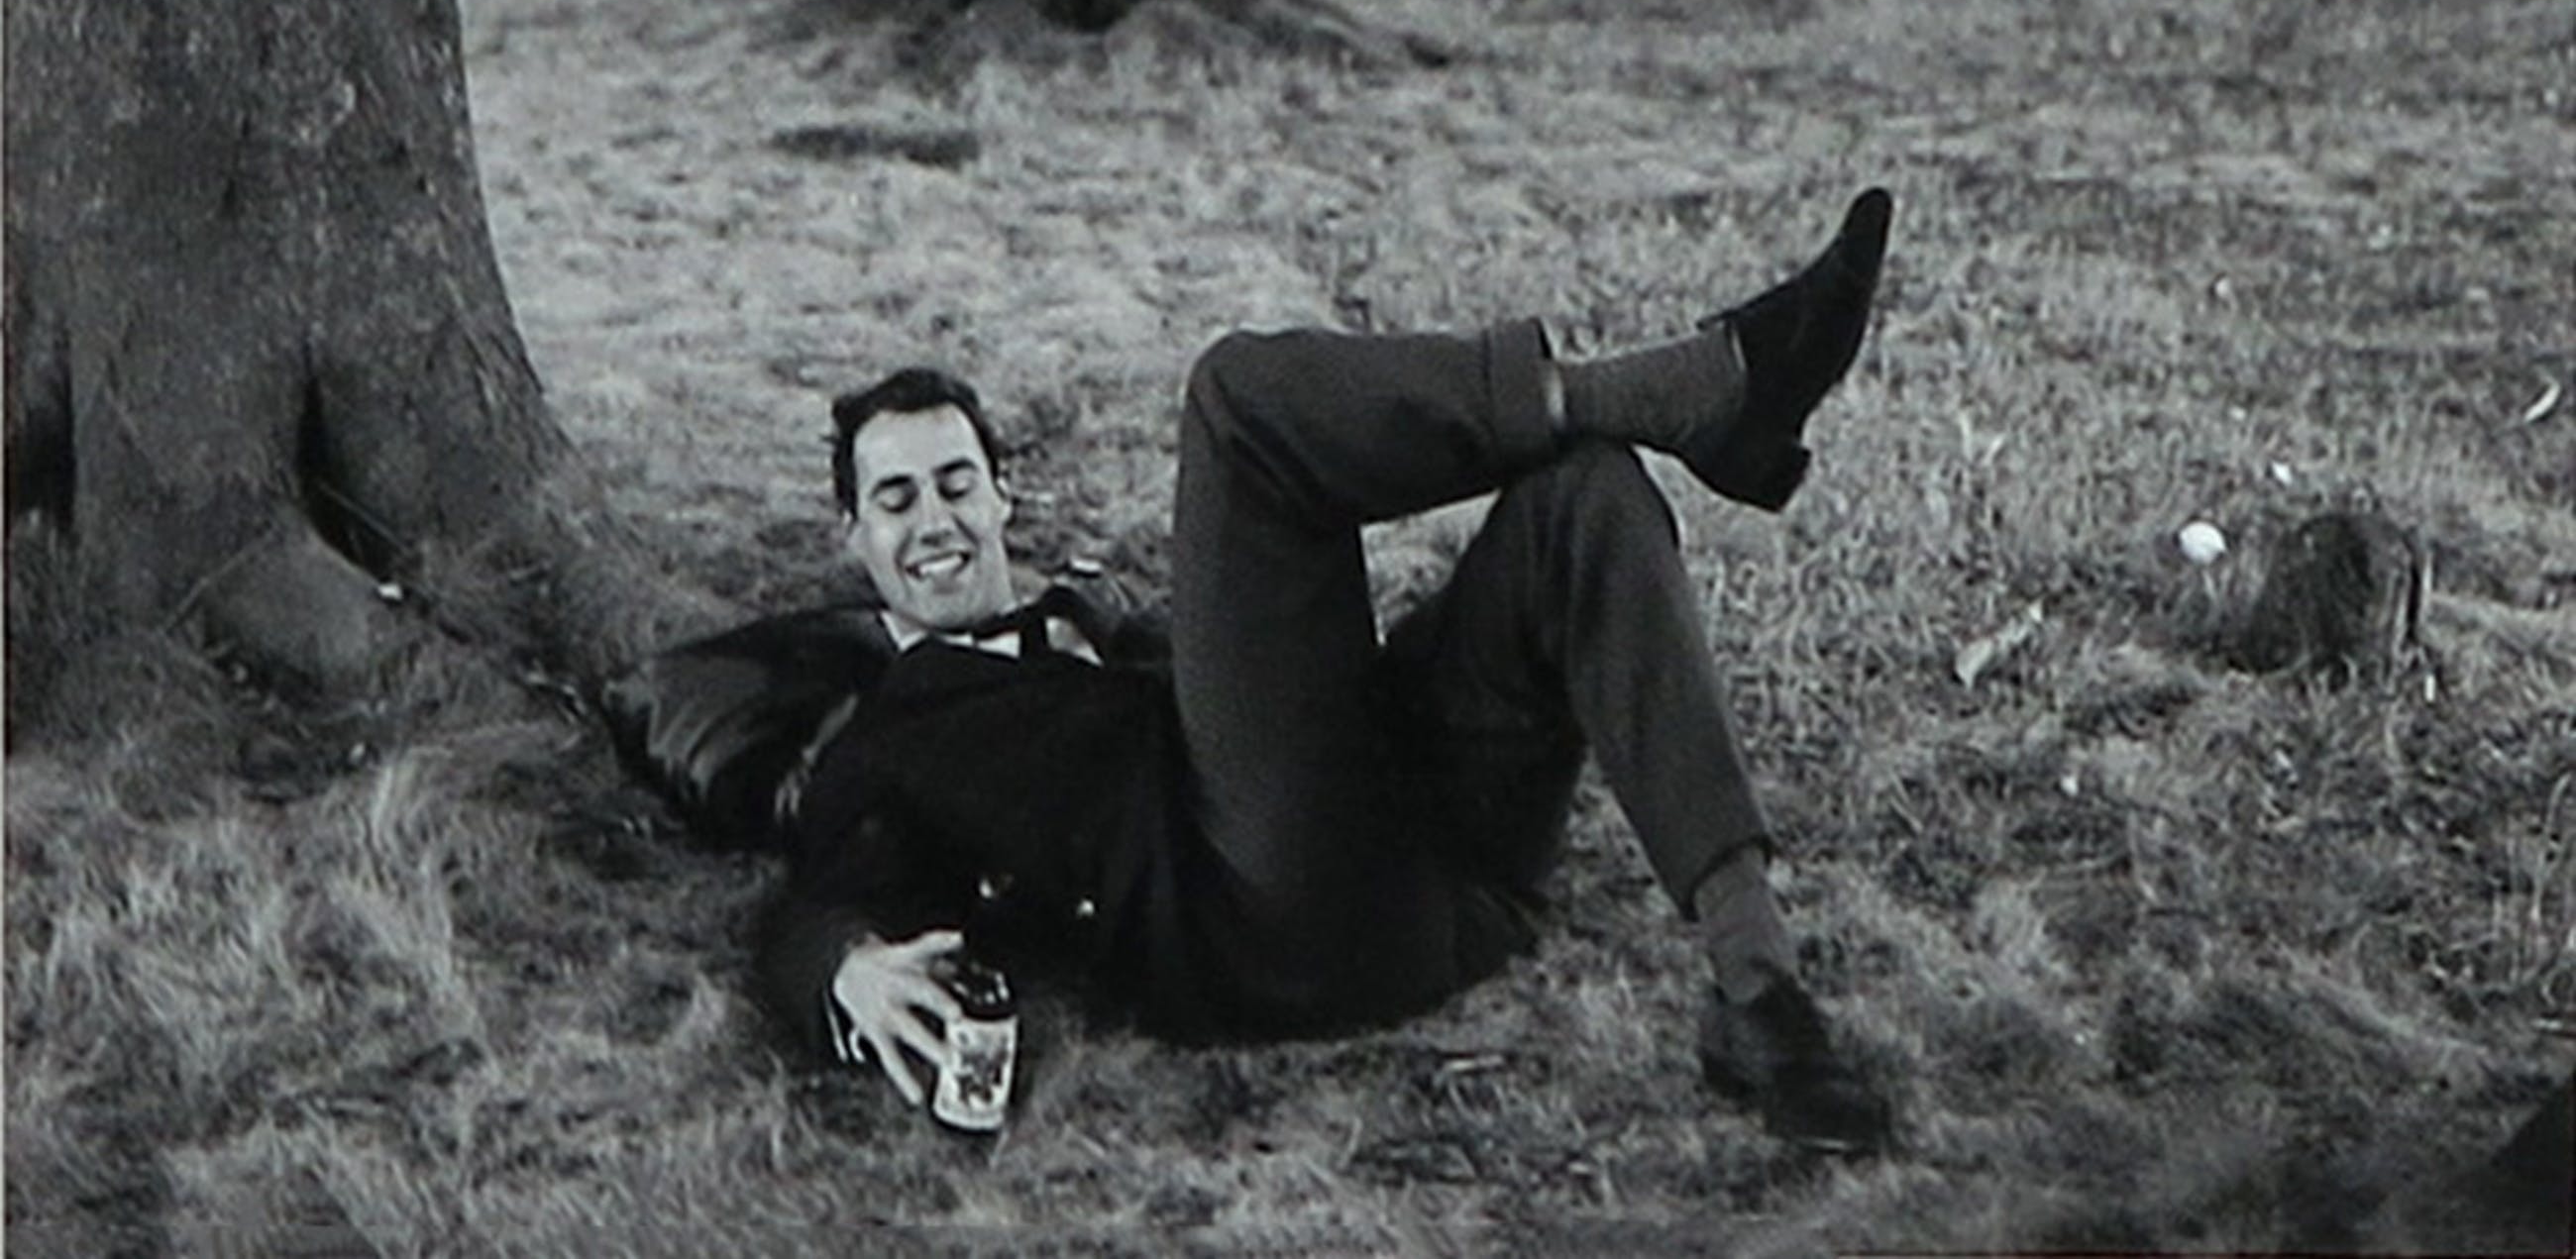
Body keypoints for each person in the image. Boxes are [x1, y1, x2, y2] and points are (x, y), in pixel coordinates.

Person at [613, 190, 1904, 1149]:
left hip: (1453, 873)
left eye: (956, 481)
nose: (934, 518)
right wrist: (844, 973)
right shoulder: (882, 729)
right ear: (853, 537)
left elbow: (1294, 699)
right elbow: (811, 903)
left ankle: (1761, 993)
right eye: (895, 500)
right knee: (1237, 403)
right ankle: (1699, 388)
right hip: (1267, 925)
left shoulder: (1109, 622)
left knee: (1586, 497)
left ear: (1005, 496)